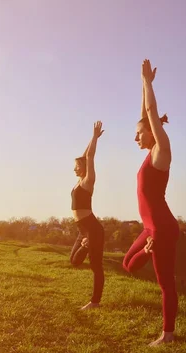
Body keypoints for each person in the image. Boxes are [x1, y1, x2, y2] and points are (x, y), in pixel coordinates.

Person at [122, 59, 180, 346]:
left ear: (151, 132)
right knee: (128, 265)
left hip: (163, 228)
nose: (134, 137)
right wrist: (144, 86)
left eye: (138, 133)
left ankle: (167, 335)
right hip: (149, 228)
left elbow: (150, 113)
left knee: (165, 283)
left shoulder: (161, 152)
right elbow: (144, 114)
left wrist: (147, 82)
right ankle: (146, 248)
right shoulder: (148, 154)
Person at [69, 121, 106, 310]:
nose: (74, 168)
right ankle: (85, 245)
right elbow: (85, 155)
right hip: (82, 229)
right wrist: (93, 139)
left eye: (77, 166)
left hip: (92, 228)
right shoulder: (78, 182)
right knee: (74, 261)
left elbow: (89, 156)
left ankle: (95, 302)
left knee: (96, 266)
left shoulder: (88, 181)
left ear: (83, 168)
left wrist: (94, 136)